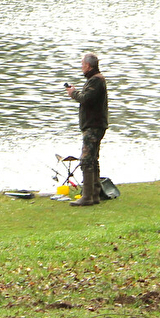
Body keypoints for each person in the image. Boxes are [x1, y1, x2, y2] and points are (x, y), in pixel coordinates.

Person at [62, 51, 108, 207]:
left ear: (88, 66)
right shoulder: (96, 80)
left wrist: (73, 93)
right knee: (93, 159)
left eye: (82, 64)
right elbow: (87, 97)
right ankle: (94, 194)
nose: (81, 67)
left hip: (93, 126)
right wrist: (77, 92)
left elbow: (85, 98)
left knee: (86, 160)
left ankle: (87, 196)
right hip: (95, 125)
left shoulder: (96, 80)